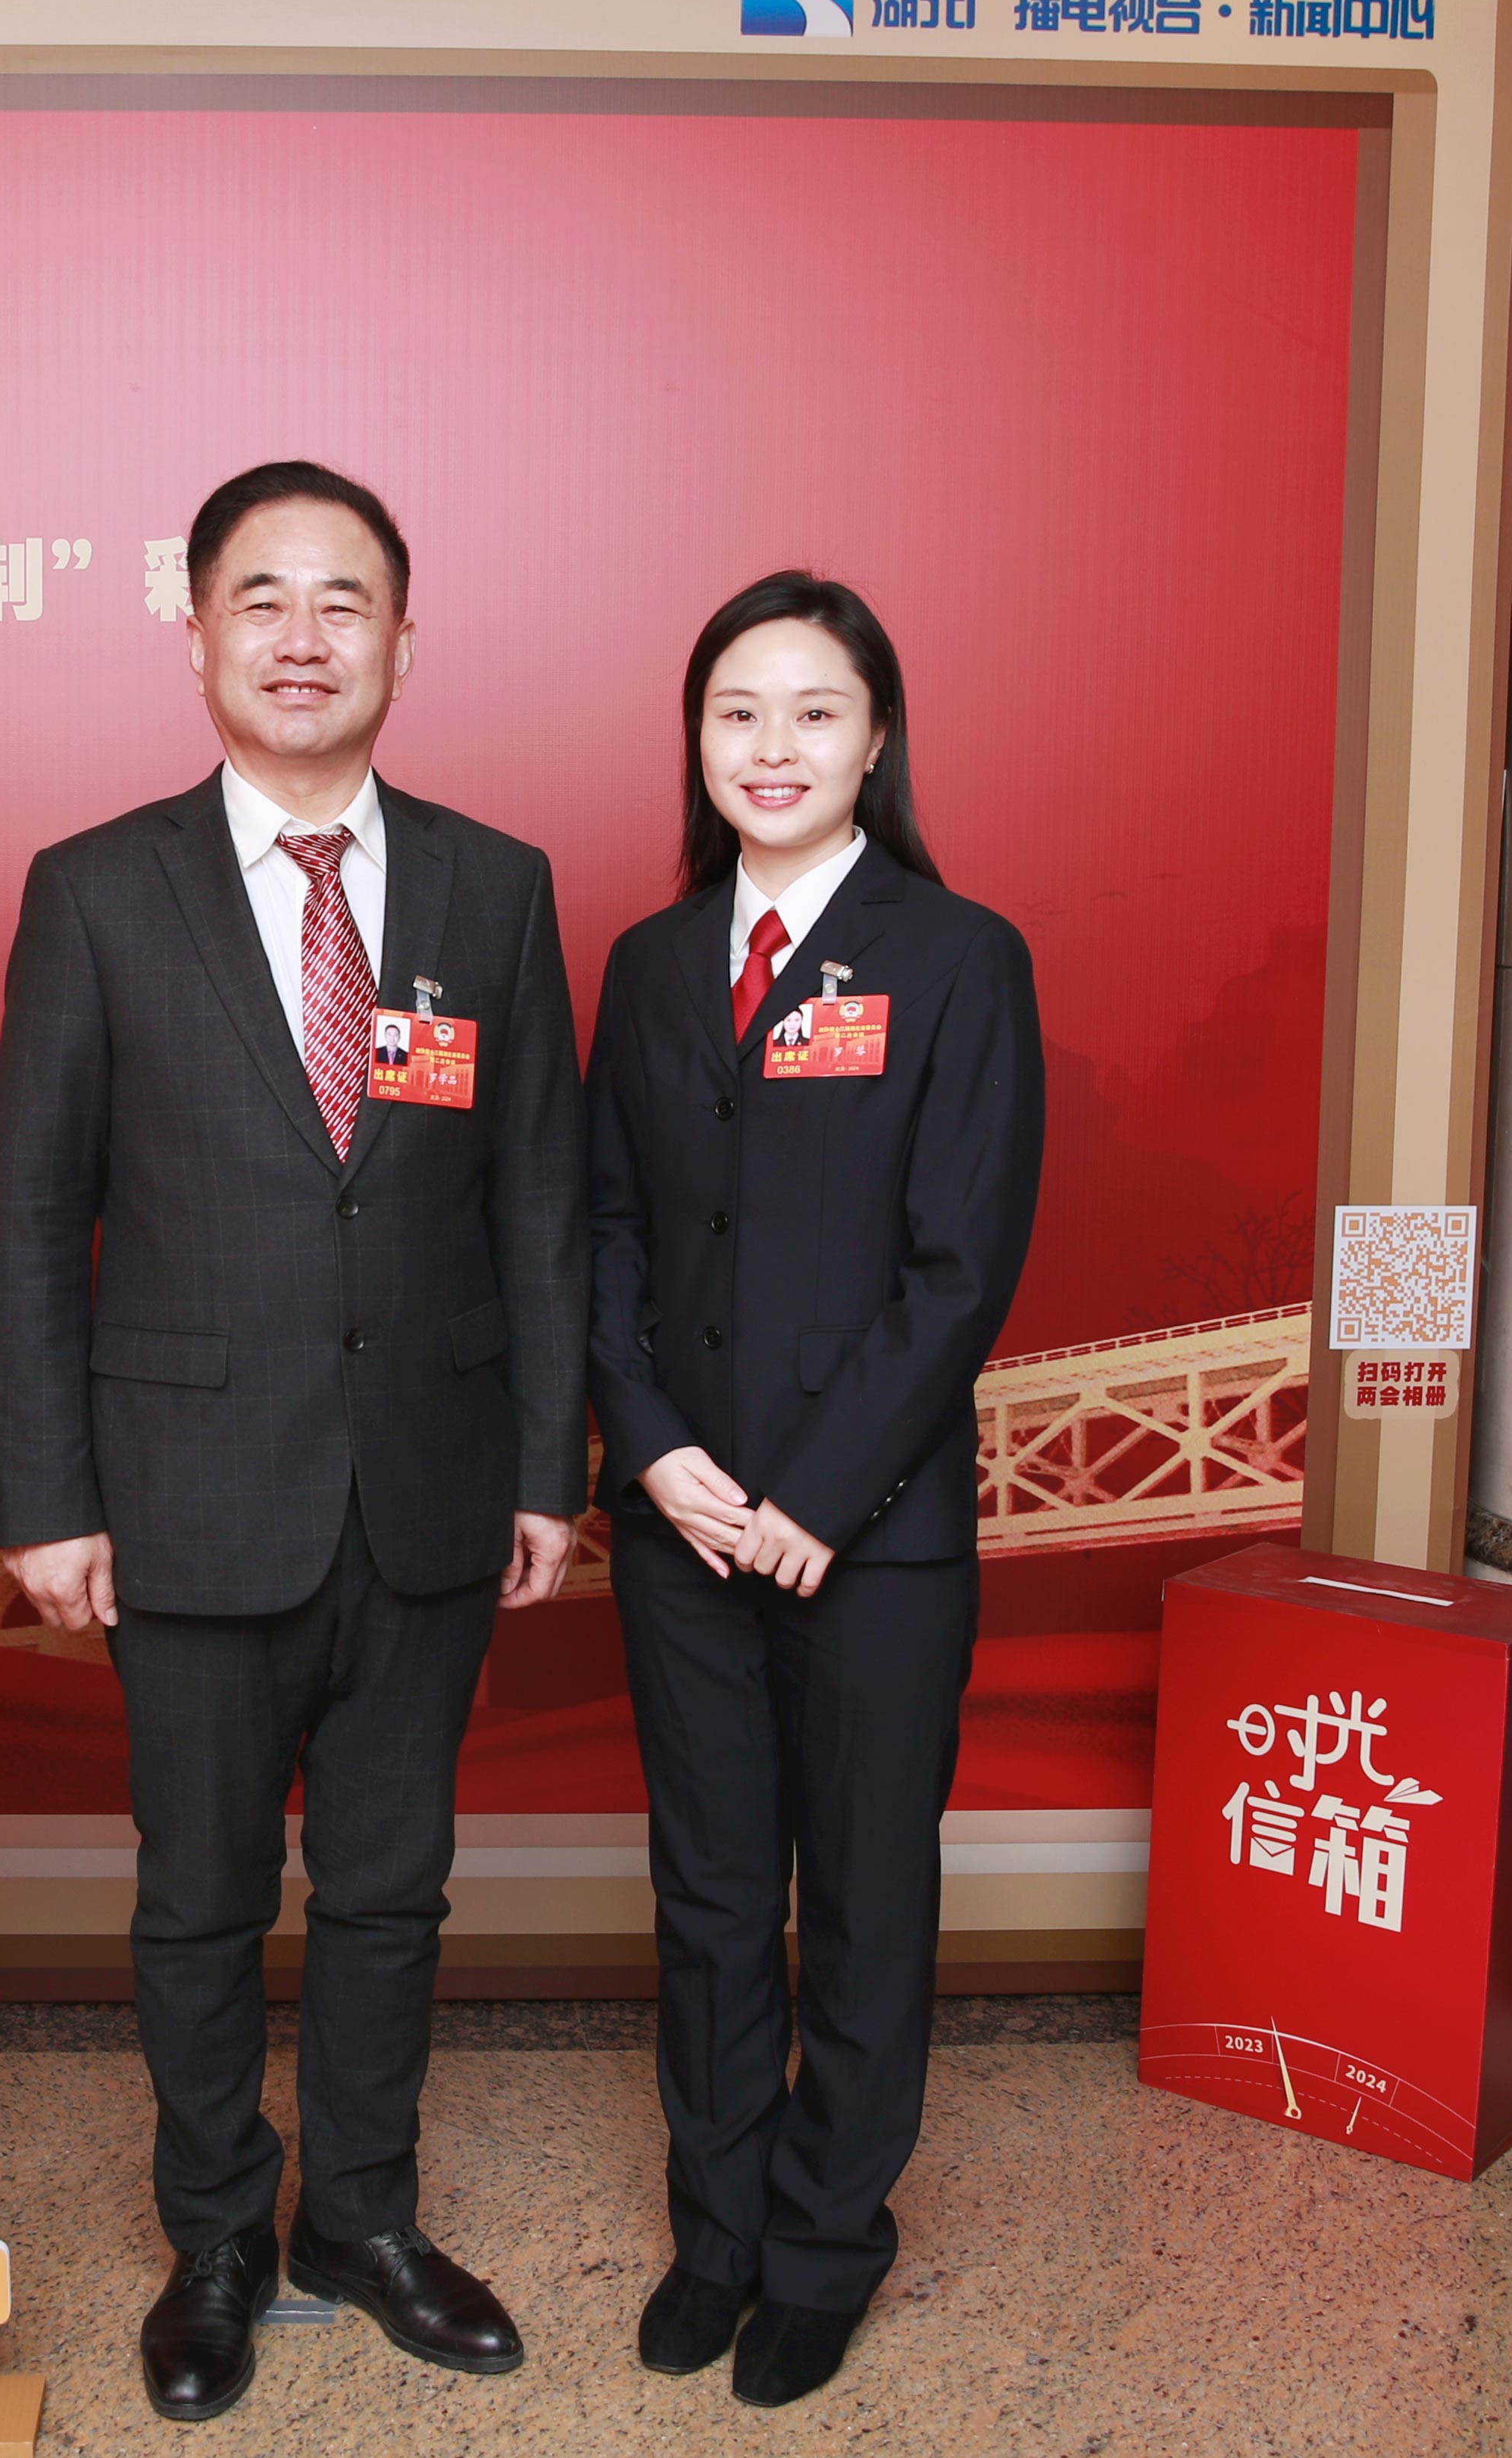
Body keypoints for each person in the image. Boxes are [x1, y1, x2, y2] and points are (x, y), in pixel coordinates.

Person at [0, 461, 589, 2422]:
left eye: (344, 600)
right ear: (195, 636)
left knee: (392, 1890)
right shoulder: (95, 887)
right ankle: (216, 2238)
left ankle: (362, 2219)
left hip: (426, 1487)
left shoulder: (495, 887)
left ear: (404, 637)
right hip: (184, 1496)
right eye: (261, 599)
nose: (303, 635)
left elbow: (537, 1199)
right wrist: (48, 1498)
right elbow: (29, 1216)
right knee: (198, 1898)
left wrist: (545, 1467)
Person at [584, 572, 1046, 2408]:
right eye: (735, 713)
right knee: (707, 1895)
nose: (769, 747)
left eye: (811, 711)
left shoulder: (956, 955)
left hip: (872, 1536)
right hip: (680, 1522)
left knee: (858, 1896)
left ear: (874, 740)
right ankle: (714, 2231)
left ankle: (823, 2239)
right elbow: (603, 1229)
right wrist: (651, 1446)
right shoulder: (646, 964)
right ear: (695, 742)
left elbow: (960, 1267)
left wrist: (816, 1496)